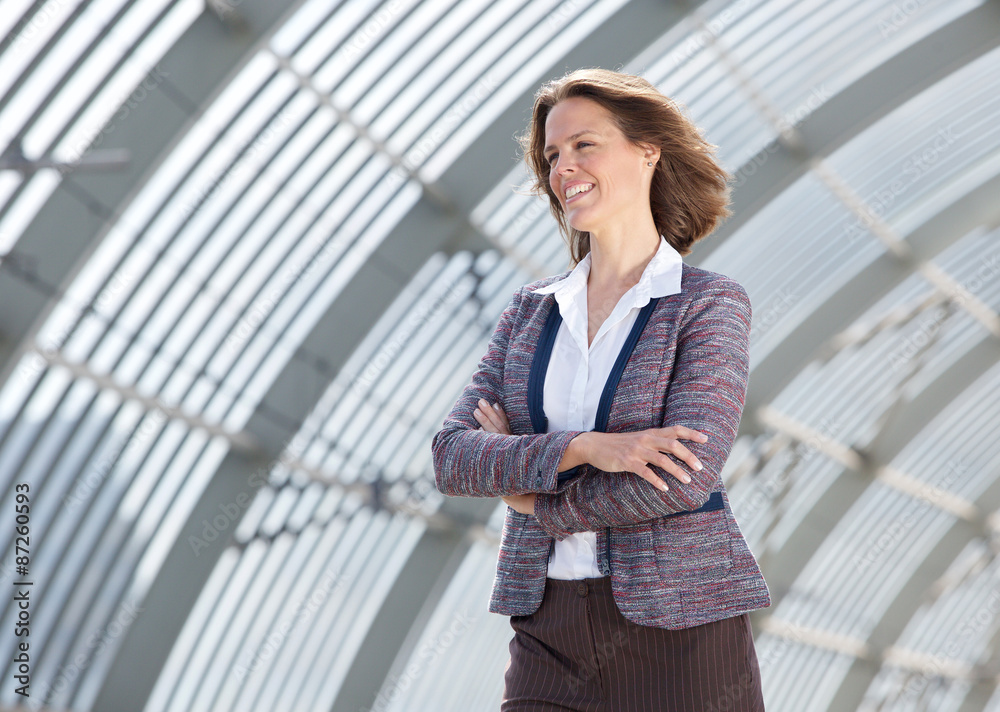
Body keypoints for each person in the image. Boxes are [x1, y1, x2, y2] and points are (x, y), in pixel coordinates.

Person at [431, 68, 771, 711]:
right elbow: (452, 455)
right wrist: (587, 448)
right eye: (552, 154)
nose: (564, 167)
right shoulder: (530, 313)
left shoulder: (707, 304)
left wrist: (535, 501)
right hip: (548, 627)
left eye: (585, 144)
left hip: (683, 630)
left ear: (648, 151)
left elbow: (681, 479)